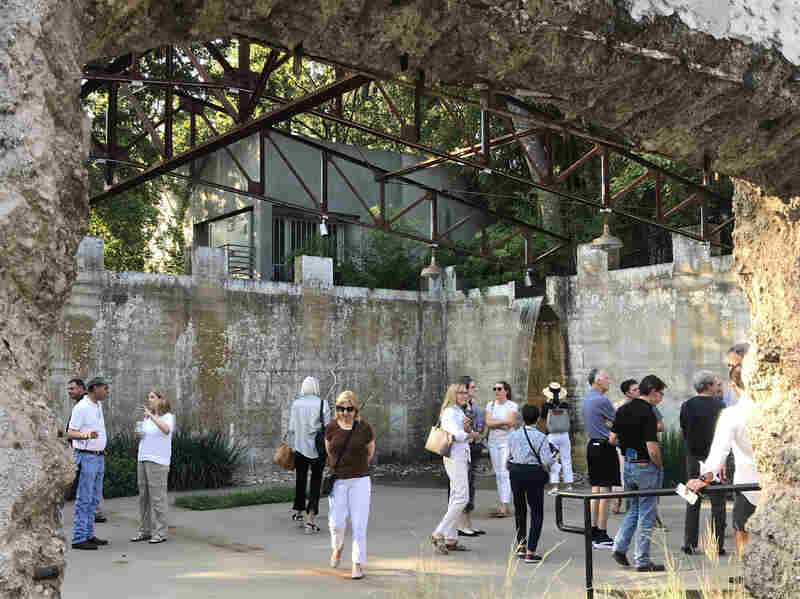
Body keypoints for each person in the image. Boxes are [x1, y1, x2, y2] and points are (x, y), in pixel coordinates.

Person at [687, 349, 759, 560]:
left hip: (748, 485)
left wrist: (702, 479)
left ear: (734, 386)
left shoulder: (732, 414)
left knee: (743, 530)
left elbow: (718, 453)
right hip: (774, 485)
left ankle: (748, 574)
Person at [611, 374, 667, 572]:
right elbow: (652, 447)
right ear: (652, 392)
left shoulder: (623, 409)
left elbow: (612, 438)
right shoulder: (649, 413)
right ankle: (642, 560)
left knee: (633, 509)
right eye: (660, 394)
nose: (661, 398)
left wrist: (628, 446)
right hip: (645, 466)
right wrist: (659, 465)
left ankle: (619, 547)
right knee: (647, 513)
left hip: (629, 464)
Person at [325, 390, 375, 580]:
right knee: (336, 523)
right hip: (339, 481)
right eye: (341, 408)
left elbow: (370, 452)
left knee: (359, 523)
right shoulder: (331, 428)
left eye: (349, 409)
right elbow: (330, 452)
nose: (345, 412)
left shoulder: (364, 428)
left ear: (356, 409)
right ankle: (337, 548)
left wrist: (358, 467)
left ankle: (357, 563)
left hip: (360, 480)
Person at [431, 383, 482, 555]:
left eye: (466, 392)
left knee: (455, 496)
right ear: (453, 394)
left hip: (460, 455)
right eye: (460, 393)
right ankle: (439, 532)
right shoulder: (450, 412)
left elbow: (462, 432)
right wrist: (471, 434)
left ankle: (451, 538)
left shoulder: (458, 411)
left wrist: (468, 429)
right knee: (462, 497)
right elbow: (456, 434)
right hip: (455, 456)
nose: (464, 395)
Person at [680, 371, 726, 556]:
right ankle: (717, 545)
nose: (718, 387)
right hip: (714, 458)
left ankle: (689, 543)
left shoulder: (687, 405)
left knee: (691, 499)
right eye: (716, 384)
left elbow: (684, 428)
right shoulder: (720, 405)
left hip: (692, 456)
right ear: (708, 386)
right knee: (718, 502)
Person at [507, 403, 553, 563]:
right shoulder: (541, 437)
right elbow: (547, 461)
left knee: (519, 510)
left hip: (516, 472)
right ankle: (531, 552)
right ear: (538, 418)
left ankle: (521, 546)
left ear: (522, 418)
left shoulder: (513, 435)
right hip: (534, 474)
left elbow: (509, 455)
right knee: (536, 512)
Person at [67, 376, 110, 550]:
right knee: (84, 498)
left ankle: (88, 534)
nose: (107, 391)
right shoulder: (82, 407)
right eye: (105, 388)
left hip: (99, 457)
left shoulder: (98, 405)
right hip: (86, 457)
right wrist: (86, 436)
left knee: (93, 498)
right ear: (94, 389)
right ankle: (78, 538)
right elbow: (70, 433)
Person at [131, 390, 175, 544]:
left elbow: (166, 430)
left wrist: (151, 416)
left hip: (158, 461)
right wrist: (140, 429)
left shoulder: (168, 417)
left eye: (152, 397)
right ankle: (144, 531)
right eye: (148, 397)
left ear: (161, 400)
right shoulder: (147, 419)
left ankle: (161, 532)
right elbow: (143, 436)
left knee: (158, 498)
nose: (149, 400)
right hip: (142, 458)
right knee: (143, 497)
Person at [288, 376, 331, 534]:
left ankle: (299, 512)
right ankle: (310, 519)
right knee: (315, 482)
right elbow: (328, 427)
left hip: (299, 448)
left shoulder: (296, 404)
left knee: (300, 479)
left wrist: (292, 447)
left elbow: (292, 428)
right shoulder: (322, 403)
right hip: (318, 449)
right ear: (316, 387)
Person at [581, 368, 618, 549]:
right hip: (604, 447)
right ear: (596, 381)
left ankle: (593, 529)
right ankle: (602, 534)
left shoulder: (587, 399)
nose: (608, 379)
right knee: (606, 491)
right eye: (605, 377)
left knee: (596, 489)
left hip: (592, 446)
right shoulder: (602, 400)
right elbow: (618, 421)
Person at [456, 375, 486, 537]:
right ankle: (460, 524)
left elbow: (480, 427)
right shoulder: (458, 408)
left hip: (473, 448)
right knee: (462, 486)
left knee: (471, 485)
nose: (475, 390)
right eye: (472, 387)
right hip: (461, 449)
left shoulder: (474, 407)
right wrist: (473, 433)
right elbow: (463, 431)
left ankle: (467, 523)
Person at [485, 381, 517, 517]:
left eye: (499, 389)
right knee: (498, 473)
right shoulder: (490, 405)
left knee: (505, 472)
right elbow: (488, 423)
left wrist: (495, 423)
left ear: (506, 391)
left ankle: (505, 505)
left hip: (506, 442)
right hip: (493, 441)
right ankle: (503, 503)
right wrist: (502, 423)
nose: (496, 391)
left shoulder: (512, 405)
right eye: (495, 388)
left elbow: (510, 424)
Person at [611, 380, 639, 514]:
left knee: (632, 475)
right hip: (623, 446)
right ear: (627, 392)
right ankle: (617, 503)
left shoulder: (642, 405)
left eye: (638, 389)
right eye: (634, 389)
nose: (638, 391)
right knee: (622, 474)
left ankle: (630, 505)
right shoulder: (618, 406)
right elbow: (611, 425)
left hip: (637, 446)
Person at [541, 382, 572, 496]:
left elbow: (543, 418)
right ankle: (569, 485)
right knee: (566, 459)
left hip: (552, 435)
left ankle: (555, 486)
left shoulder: (546, 406)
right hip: (564, 434)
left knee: (553, 460)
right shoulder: (565, 405)